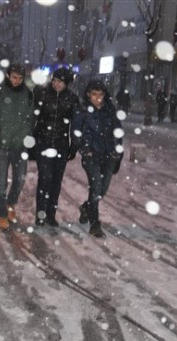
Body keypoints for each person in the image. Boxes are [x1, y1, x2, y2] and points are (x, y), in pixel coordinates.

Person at [0, 63, 35, 231]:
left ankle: (11, 204)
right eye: (14, 77)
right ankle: (2, 214)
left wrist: (26, 135)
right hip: (2, 146)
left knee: (20, 180)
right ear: (8, 75)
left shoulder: (28, 94)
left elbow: (30, 119)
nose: (17, 81)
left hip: (20, 146)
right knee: (1, 182)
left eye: (20, 78)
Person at [71, 80, 124, 238]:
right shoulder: (82, 111)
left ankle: (86, 208)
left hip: (109, 156)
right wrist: (84, 149)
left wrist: (117, 152)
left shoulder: (109, 110)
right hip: (91, 155)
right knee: (95, 188)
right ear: (88, 94)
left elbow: (118, 131)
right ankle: (95, 224)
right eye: (94, 94)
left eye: (100, 95)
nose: (98, 98)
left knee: (102, 190)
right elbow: (75, 133)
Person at [32, 67, 80, 227]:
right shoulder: (43, 94)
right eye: (54, 80)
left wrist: (74, 145)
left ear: (66, 83)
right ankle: (40, 214)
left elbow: (76, 124)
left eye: (60, 81)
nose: (56, 84)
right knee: (45, 177)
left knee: (56, 181)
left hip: (61, 144)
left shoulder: (72, 98)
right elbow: (33, 117)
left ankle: (51, 214)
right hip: (43, 142)